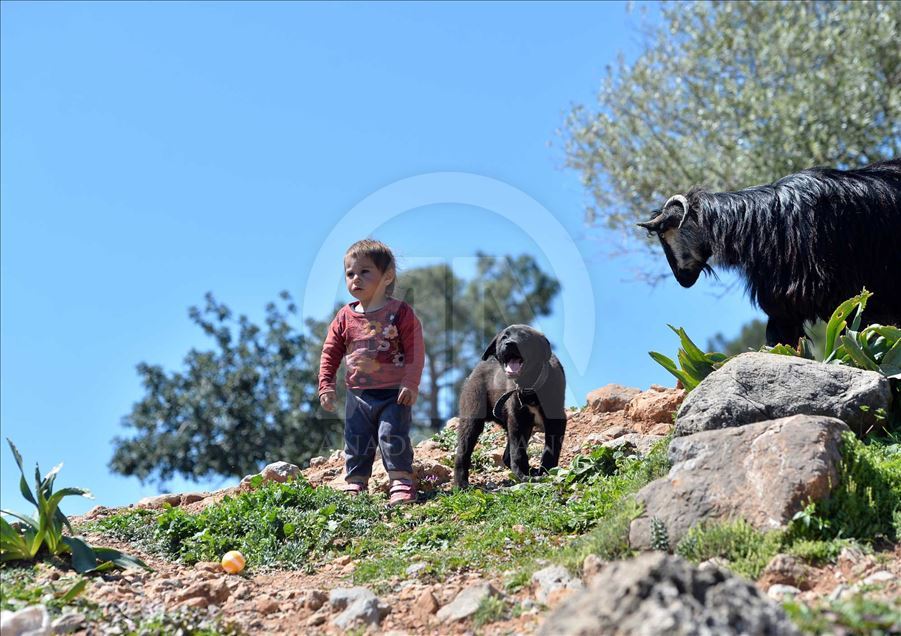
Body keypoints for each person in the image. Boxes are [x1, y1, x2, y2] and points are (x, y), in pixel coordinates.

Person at [318, 239, 424, 505]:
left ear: (387, 276)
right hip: (359, 394)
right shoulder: (344, 317)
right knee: (356, 439)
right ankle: (356, 483)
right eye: (350, 273)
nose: (356, 279)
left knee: (392, 434)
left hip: (393, 393)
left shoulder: (400, 312)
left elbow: (415, 349)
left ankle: (401, 481)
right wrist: (326, 385)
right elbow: (330, 352)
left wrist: (411, 383)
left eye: (365, 272)